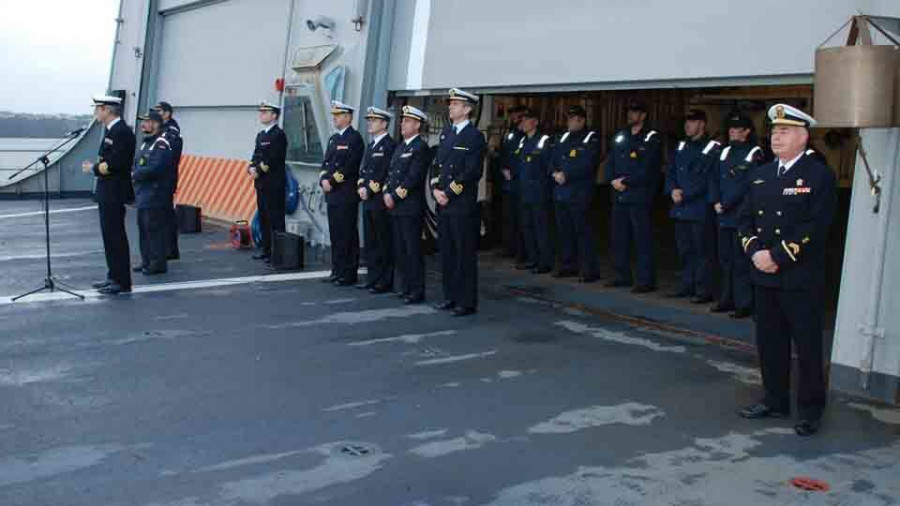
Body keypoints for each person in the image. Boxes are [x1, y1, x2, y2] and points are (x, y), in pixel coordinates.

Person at [737, 104, 836, 437]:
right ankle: (775, 400)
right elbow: (744, 220)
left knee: (807, 347)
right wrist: (755, 252)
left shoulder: (818, 175)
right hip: (764, 274)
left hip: (799, 278)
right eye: (774, 131)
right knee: (770, 342)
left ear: (803, 137)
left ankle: (810, 410)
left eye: (785, 131)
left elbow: (817, 226)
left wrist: (778, 255)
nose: (776, 137)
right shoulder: (760, 174)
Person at [431, 88, 487, 317]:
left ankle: (466, 301)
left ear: (467, 109)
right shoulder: (446, 134)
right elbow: (437, 166)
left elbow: (472, 172)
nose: (450, 108)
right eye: (451, 104)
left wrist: (448, 193)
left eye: (455, 104)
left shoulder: (474, 136)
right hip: (443, 203)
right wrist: (435, 189)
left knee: (463, 254)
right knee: (447, 253)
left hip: (461, 204)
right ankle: (450, 296)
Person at [709, 112, 764, 318]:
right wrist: (715, 201)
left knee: (741, 261)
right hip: (722, 213)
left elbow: (747, 183)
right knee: (725, 260)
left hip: (740, 214)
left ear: (747, 132)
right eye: (730, 129)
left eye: (736, 129)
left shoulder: (754, 153)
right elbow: (714, 178)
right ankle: (726, 299)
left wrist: (726, 203)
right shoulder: (724, 152)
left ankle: (744, 303)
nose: (732, 132)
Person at [665, 109, 720, 303]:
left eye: (692, 122)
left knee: (702, 252)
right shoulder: (680, 146)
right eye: (686, 121)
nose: (687, 125)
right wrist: (672, 189)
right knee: (685, 250)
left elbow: (707, 179)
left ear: (702, 124)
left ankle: (703, 290)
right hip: (680, 208)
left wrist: (684, 194)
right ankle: (687, 284)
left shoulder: (712, 148)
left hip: (699, 208)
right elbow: (670, 171)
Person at [605, 100, 660, 291]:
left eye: (634, 112)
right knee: (619, 237)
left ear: (643, 115)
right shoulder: (621, 136)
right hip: (619, 196)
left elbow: (648, 168)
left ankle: (645, 280)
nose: (630, 115)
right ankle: (622, 275)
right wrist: (612, 179)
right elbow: (610, 160)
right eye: (629, 111)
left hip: (639, 196)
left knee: (642, 239)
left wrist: (625, 181)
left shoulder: (651, 138)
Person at [85, 94, 136, 295]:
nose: (96, 113)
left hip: (114, 191)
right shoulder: (111, 130)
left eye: (98, 109)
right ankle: (113, 275)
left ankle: (121, 281)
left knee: (116, 236)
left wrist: (94, 168)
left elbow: (117, 163)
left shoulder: (122, 132)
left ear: (107, 109)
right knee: (109, 236)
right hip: (107, 191)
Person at [385, 105, 430, 304]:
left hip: (409, 207)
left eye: (408, 121)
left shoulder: (420, 147)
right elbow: (391, 174)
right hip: (396, 207)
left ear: (417, 125)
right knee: (400, 250)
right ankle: (404, 286)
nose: (403, 124)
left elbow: (414, 178)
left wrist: (394, 196)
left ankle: (416, 290)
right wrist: (386, 191)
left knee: (412, 250)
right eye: (403, 121)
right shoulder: (400, 147)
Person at [551, 105, 601, 283]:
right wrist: (555, 173)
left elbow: (588, 163)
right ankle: (568, 265)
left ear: (582, 121)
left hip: (579, 193)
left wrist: (568, 175)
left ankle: (589, 269)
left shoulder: (590, 138)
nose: (570, 123)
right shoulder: (563, 137)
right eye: (569, 119)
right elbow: (553, 158)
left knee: (583, 232)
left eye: (573, 119)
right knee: (564, 232)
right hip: (561, 192)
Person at [320, 101, 365, 286]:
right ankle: (337, 270)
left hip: (345, 193)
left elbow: (350, 166)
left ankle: (348, 273)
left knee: (347, 234)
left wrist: (331, 181)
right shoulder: (333, 139)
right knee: (336, 234)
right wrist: (323, 179)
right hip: (332, 195)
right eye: (334, 115)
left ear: (348, 117)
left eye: (338, 115)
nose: (335, 118)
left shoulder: (355, 139)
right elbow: (326, 164)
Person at [356, 106, 398, 293]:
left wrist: (370, 190)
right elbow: (363, 171)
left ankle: (384, 280)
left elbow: (385, 174)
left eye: (373, 121)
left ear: (384, 123)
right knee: (371, 242)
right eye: (369, 120)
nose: (369, 124)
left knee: (383, 242)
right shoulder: (371, 145)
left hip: (379, 200)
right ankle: (372, 277)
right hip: (367, 201)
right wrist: (360, 187)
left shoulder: (389, 145)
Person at [132, 110, 175, 276]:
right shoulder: (145, 143)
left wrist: (135, 175)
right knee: (143, 228)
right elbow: (137, 163)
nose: (143, 124)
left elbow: (155, 168)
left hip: (155, 194)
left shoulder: (161, 144)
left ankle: (157, 263)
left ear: (156, 124)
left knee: (154, 229)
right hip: (143, 193)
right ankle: (147, 260)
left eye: (147, 121)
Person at [248, 101, 288, 266]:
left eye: (266, 112)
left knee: (275, 219)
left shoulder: (278, 135)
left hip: (273, 183)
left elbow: (274, 158)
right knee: (264, 217)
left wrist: (258, 170)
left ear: (274, 115)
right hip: (261, 183)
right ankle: (266, 250)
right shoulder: (261, 135)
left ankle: (279, 253)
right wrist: (251, 167)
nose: (262, 114)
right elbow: (256, 155)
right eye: (261, 112)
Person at [515, 108, 554, 274]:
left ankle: (544, 262)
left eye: (526, 119)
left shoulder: (544, 140)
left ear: (535, 122)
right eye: (521, 120)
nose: (522, 123)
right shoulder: (523, 141)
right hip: (525, 192)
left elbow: (549, 166)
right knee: (527, 227)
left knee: (541, 228)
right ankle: (532, 259)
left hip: (539, 192)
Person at [498, 105, 528, 262]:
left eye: (517, 116)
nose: (514, 119)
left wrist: (514, 172)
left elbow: (524, 160)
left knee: (522, 220)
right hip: (508, 184)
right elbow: (504, 154)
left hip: (521, 184)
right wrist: (503, 168)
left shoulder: (526, 136)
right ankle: (509, 247)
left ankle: (521, 251)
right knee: (509, 217)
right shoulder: (510, 135)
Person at [153, 101, 183, 261]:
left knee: (165, 215)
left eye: (158, 111)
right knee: (162, 215)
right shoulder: (161, 129)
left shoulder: (171, 131)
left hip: (165, 178)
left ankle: (169, 250)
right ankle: (166, 249)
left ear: (167, 113)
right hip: (159, 178)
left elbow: (168, 157)